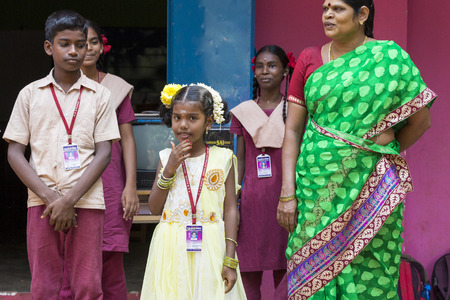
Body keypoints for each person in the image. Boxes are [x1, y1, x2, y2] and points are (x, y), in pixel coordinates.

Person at [277, 0, 437, 299]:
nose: (327, 14)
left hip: (372, 183)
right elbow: (293, 130)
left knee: (371, 265)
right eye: (325, 7)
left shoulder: (390, 57)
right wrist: (287, 194)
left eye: (337, 8)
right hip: (317, 188)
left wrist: (386, 147)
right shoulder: (309, 58)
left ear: (362, 14)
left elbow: (421, 121)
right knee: (311, 259)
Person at [3, 10, 120, 299]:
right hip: (42, 202)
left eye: (81, 44)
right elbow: (15, 152)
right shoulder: (30, 94)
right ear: (48, 47)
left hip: (87, 200)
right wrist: (52, 198)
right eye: (64, 43)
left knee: (88, 286)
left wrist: (69, 199)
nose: (74, 51)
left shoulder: (100, 95)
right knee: (44, 284)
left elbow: (104, 152)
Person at [140, 83, 247, 299]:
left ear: (208, 121)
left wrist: (230, 259)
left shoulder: (224, 158)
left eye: (192, 118)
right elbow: (154, 208)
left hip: (210, 247)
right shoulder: (165, 158)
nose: (183, 125)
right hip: (170, 248)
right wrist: (169, 169)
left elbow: (230, 210)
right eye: (177, 117)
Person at [58, 20, 140, 300]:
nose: (87, 48)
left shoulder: (116, 88)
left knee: (110, 260)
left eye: (92, 42)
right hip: (70, 178)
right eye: (82, 43)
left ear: (102, 46)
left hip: (110, 181)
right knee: (71, 258)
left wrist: (130, 186)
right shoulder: (58, 87)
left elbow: (127, 139)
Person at [229, 45, 295, 299]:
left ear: (285, 72)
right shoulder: (243, 111)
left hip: (286, 198)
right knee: (249, 268)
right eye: (260, 66)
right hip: (253, 201)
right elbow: (241, 159)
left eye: (272, 65)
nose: (265, 71)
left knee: (286, 267)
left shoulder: (294, 110)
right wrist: (235, 198)